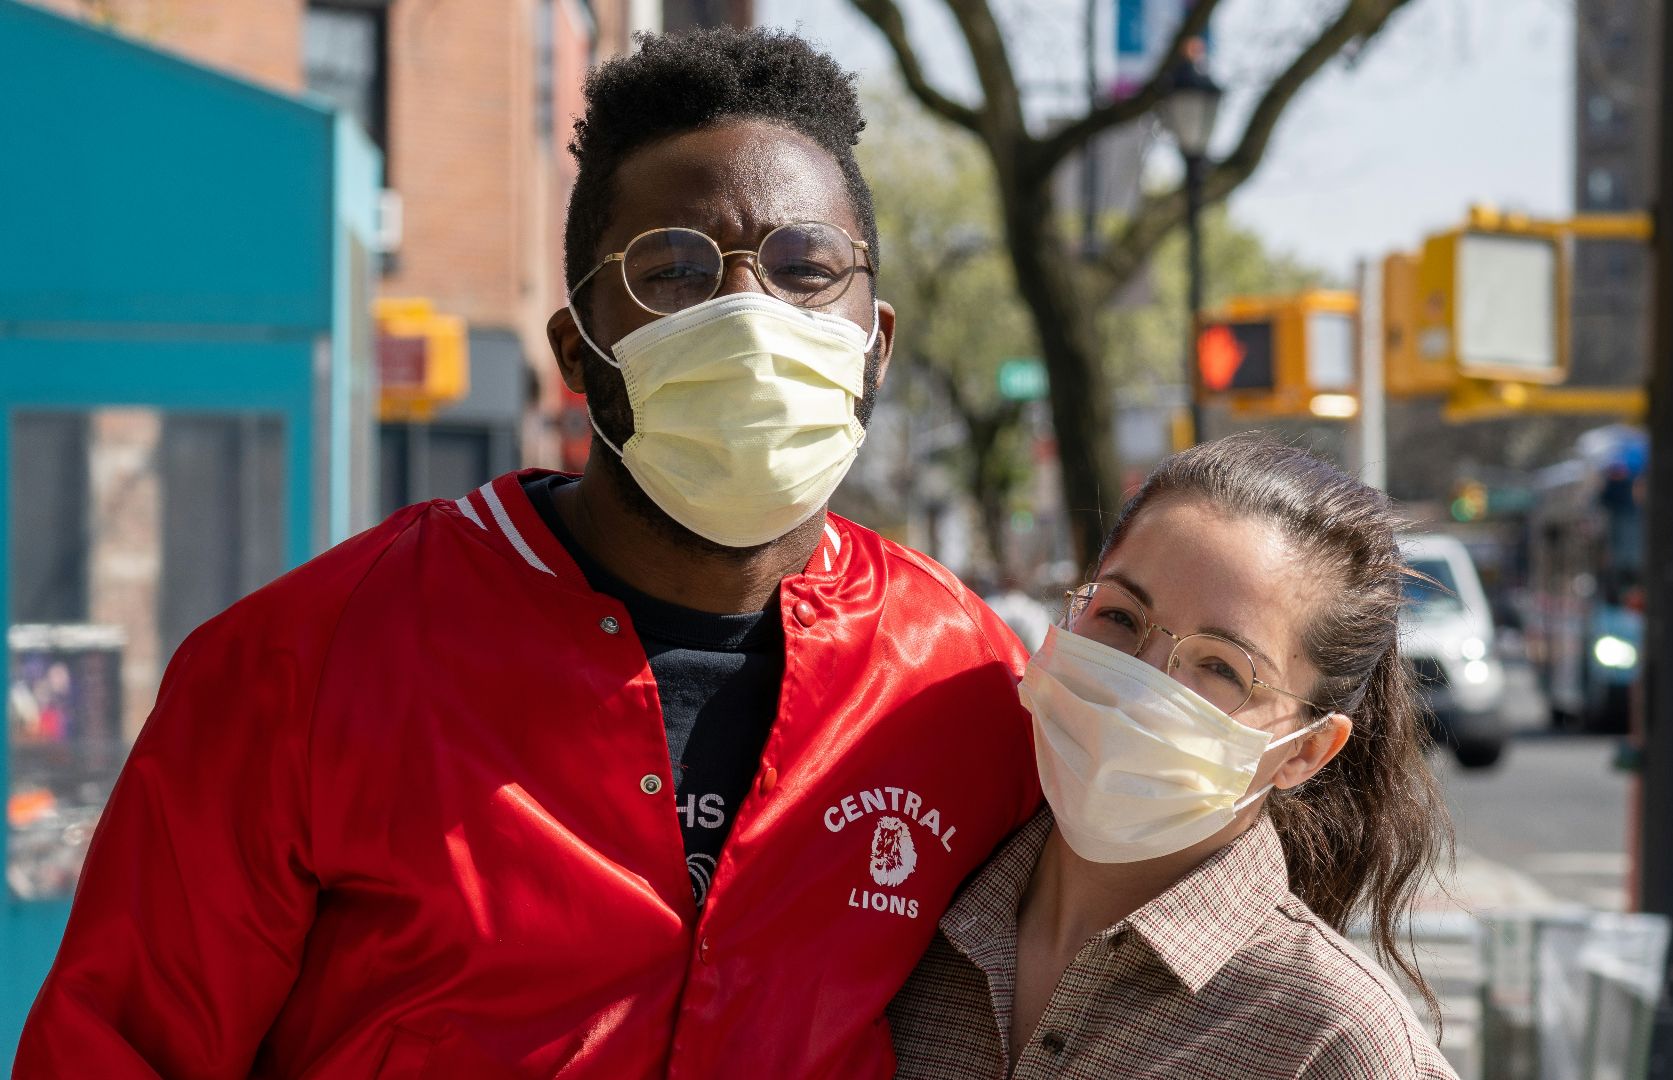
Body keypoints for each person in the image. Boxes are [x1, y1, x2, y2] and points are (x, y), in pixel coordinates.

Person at [18, 28, 1039, 1079]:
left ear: (876, 342)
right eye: (675, 271)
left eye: (807, 268)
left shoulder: (965, 682)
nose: (750, 318)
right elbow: (112, 1048)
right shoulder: (306, 666)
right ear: (575, 350)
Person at [889, 435, 1458, 1079]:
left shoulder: (1332, 1042)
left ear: (1306, 750)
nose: (1143, 683)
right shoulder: (900, 908)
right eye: (1121, 617)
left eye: (1221, 666)